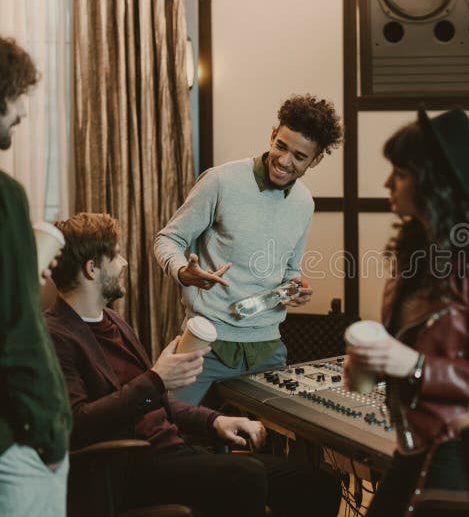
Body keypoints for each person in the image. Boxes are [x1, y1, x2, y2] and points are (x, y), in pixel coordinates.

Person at [46, 212, 341, 517]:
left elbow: (153, 402)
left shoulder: (112, 321)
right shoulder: (56, 337)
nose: (124, 263)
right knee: (247, 475)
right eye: (116, 255)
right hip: (133, 468)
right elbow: (78, 424)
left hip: (174, 450)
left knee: (317, 484)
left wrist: (213, 420)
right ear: (92, 268)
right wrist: (157, 379)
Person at [345, 109, 469, 517]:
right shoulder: (413, 256)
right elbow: (409, 349)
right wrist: (372, 365)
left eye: (401, 172)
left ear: (432, 184)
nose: (388, 182)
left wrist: (415, 366)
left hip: (457, 449)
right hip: (415, 444)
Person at [154, 94, 344, 405]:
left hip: (269, 348)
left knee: (265, 444)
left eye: (299, 156)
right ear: (273, 134)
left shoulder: (304, 203)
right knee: (174, 433)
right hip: (205, 342)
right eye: (281, 146)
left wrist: (295, 288)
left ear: (316, 159)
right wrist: (183, 273)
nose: (284, 161)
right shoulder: (220, 181)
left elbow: (290, 272)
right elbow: (167, 239)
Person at [0, 36, 72, 517]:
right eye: (16, 96)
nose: (22, 112)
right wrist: (50, 435)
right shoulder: (6, 196)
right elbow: (17, 334)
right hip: (15, 441)